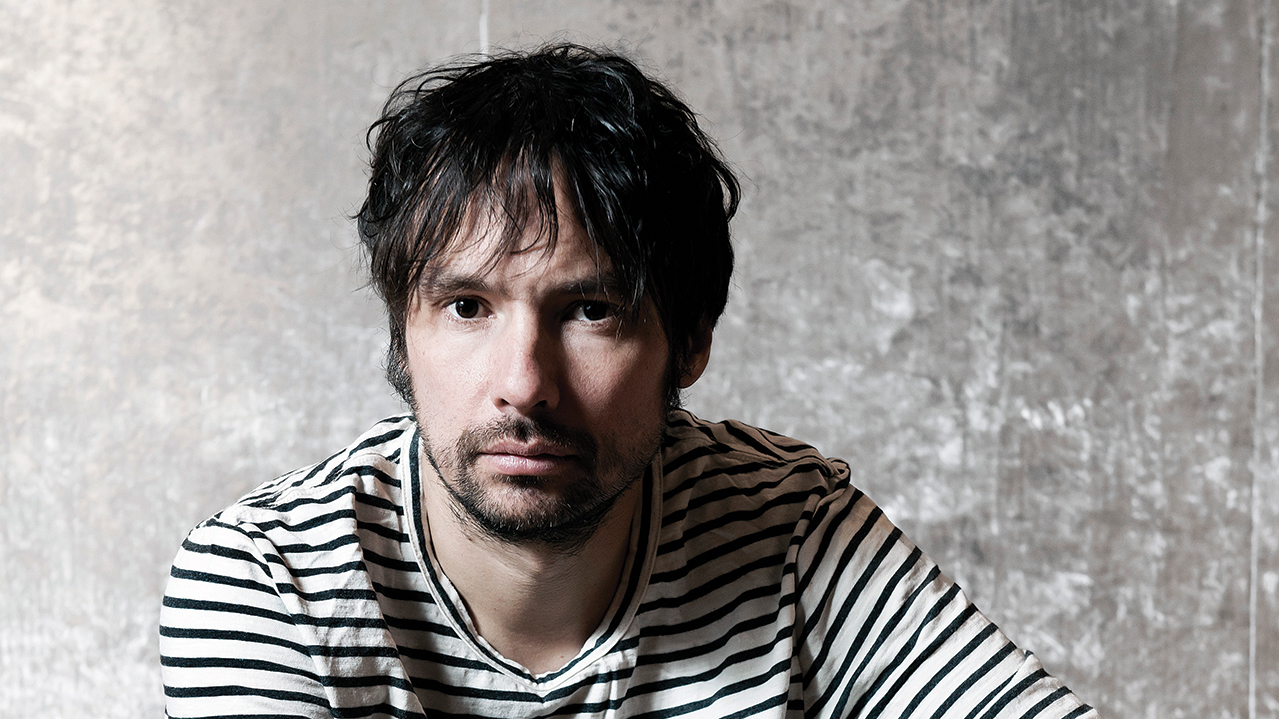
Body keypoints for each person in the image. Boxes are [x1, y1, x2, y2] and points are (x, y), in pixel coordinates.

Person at [159, 44, 1098, 718]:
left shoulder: (788, 531)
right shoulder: (270, 580)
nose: (523, 385)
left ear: (690, 342)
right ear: (403, 339)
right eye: (468, 308)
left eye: (592, 311)